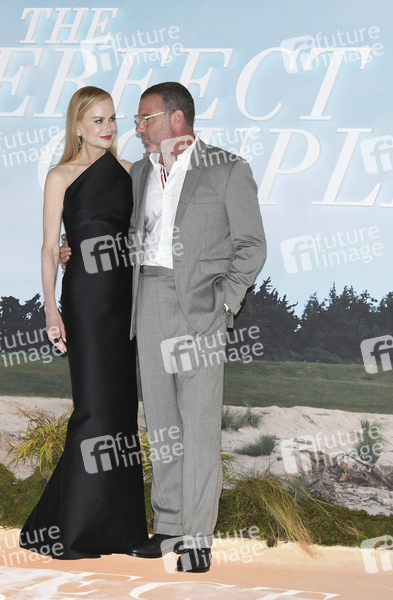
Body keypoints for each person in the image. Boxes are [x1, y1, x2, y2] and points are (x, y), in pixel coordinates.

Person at [61, 82, 266, 572]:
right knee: (163, 425)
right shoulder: (137, 173)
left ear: (177, 119)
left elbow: (251, 246)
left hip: (201, 308)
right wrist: (74, 253)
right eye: (135, 120)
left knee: (198, 428)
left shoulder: (228, 169)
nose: (136, 128)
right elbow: (111, 230)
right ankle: (170, 526)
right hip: (147, 300)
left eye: (144, 118)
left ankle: (198, 539)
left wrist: (225, 302)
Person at [20, 86, 148, 560]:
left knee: (121, 414)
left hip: (125, 298)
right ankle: (71, 532)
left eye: (112, 118)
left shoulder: (132, 172)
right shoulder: (60, 176)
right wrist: (50, 309)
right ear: (77, 126)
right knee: (93, 410)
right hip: (85, 300)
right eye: (97, 120)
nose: (107, 127)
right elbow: (49, 247)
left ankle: (125, 533)